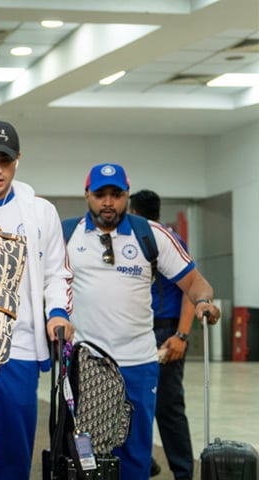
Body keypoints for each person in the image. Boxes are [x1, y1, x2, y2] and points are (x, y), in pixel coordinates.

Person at [64, 163, 220, 480]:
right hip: (87, 365)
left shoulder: (151, 234)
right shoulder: (67, 234)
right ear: (87, 195)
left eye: (116, 194)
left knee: (136, 452)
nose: (108, 202)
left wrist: (203, 301)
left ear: (127, 195)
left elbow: (194, 282)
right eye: (100, 194)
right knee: (86, 456)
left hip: (137, 361)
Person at [0, 120, 74, 480]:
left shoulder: (40, 212)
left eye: (5, 161)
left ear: (18, 159)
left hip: (21, 352)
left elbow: (57, 273)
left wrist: (57, 313)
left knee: (15, 456)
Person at [130, 189, 195, 480]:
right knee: (131, 402)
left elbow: (191, 289)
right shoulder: (136, 242)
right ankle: (145, 463)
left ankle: (184, 472)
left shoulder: (167, 240)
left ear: (134, 212)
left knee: (168, 406)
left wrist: (181, 335)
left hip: (166, 331)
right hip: (138, 330)